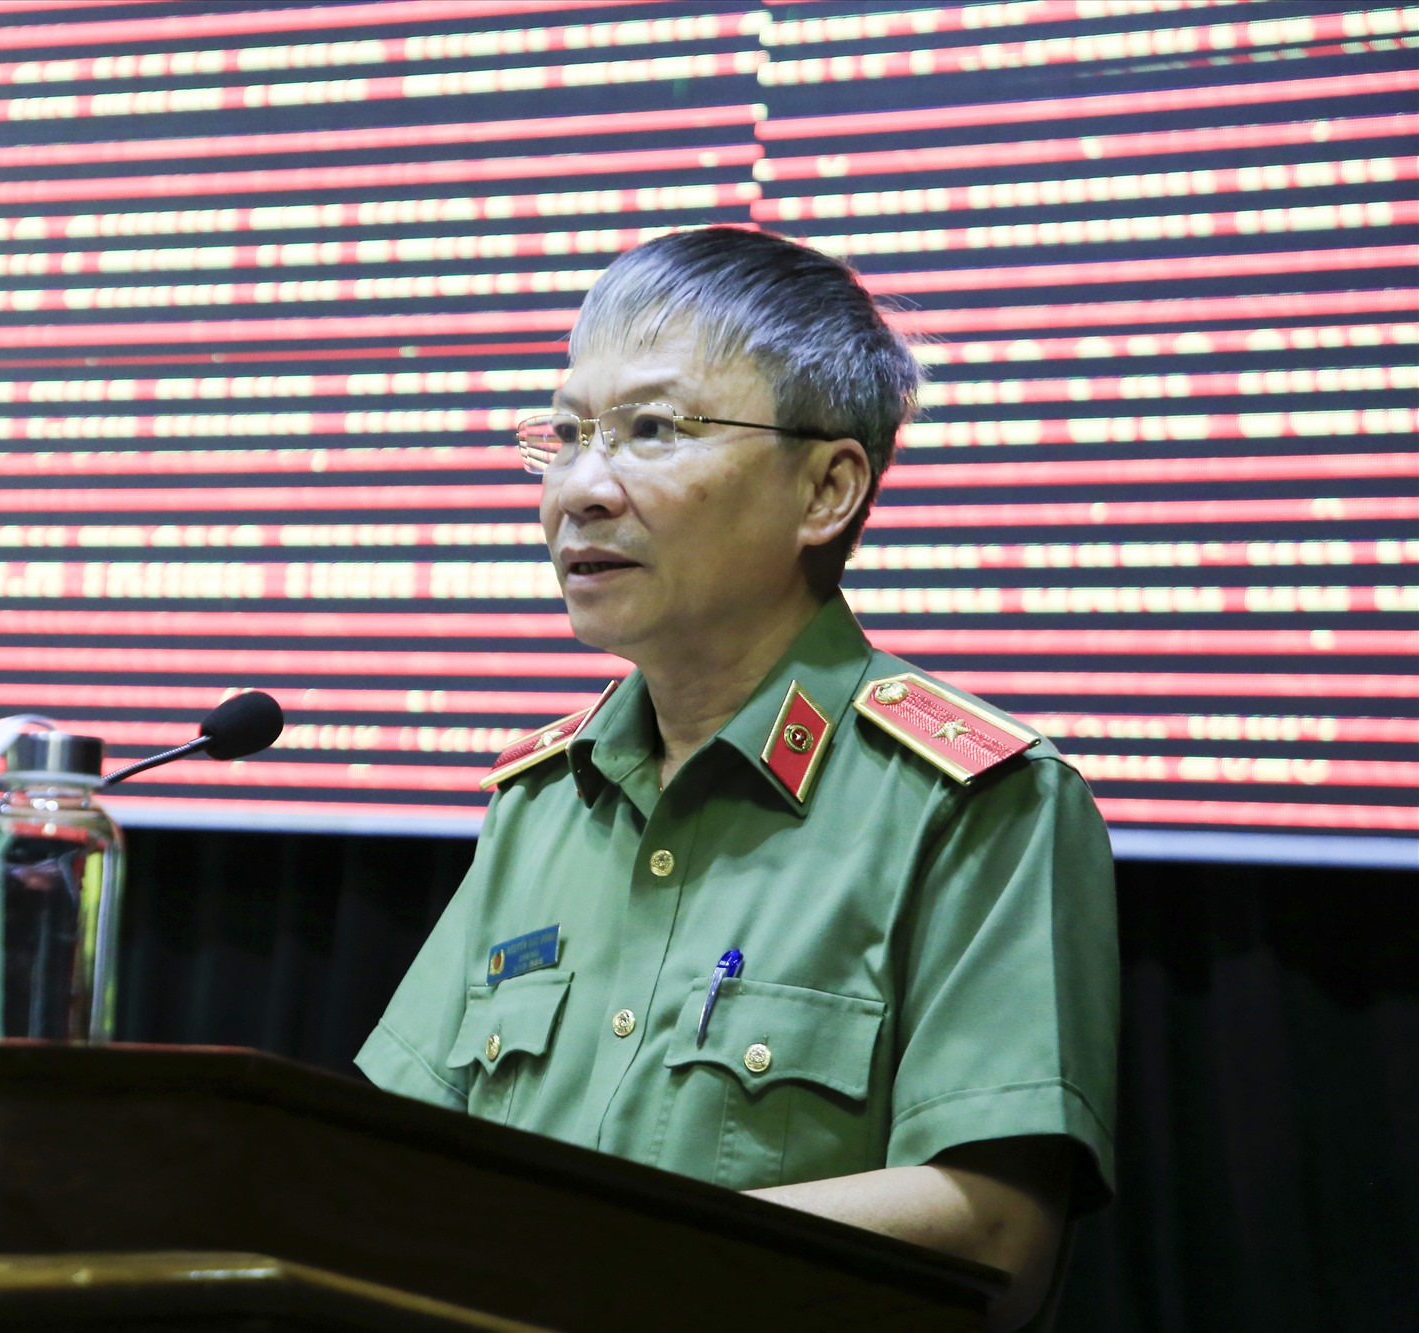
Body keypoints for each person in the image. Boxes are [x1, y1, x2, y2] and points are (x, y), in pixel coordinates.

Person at [355, 226, 1118, 1330]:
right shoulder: (538, 804)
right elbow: (388, 1153)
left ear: (825, 489)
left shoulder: (971, 802)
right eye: (563, 434)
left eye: (650, 430)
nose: (580, 488)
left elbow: (990, 1228)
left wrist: (589, 1261)